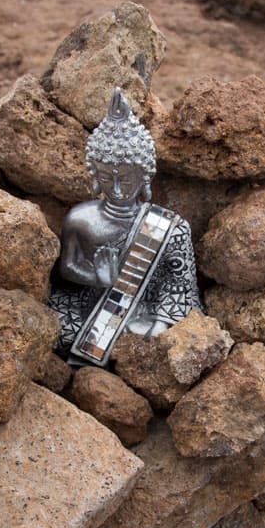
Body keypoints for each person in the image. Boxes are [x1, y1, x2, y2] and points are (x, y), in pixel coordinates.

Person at [48, 88, 201, 366]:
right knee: (57, 326)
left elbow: (180, 291)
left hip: (142, 313)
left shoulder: (171, 228)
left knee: (156, 336)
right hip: (88, 305)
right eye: (106, 178)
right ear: (94, 175)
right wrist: (98, 278)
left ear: (145, 176)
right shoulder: (81, 217)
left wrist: (159, 321)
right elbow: (66, 269)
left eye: (127, 179)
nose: (117, 189)